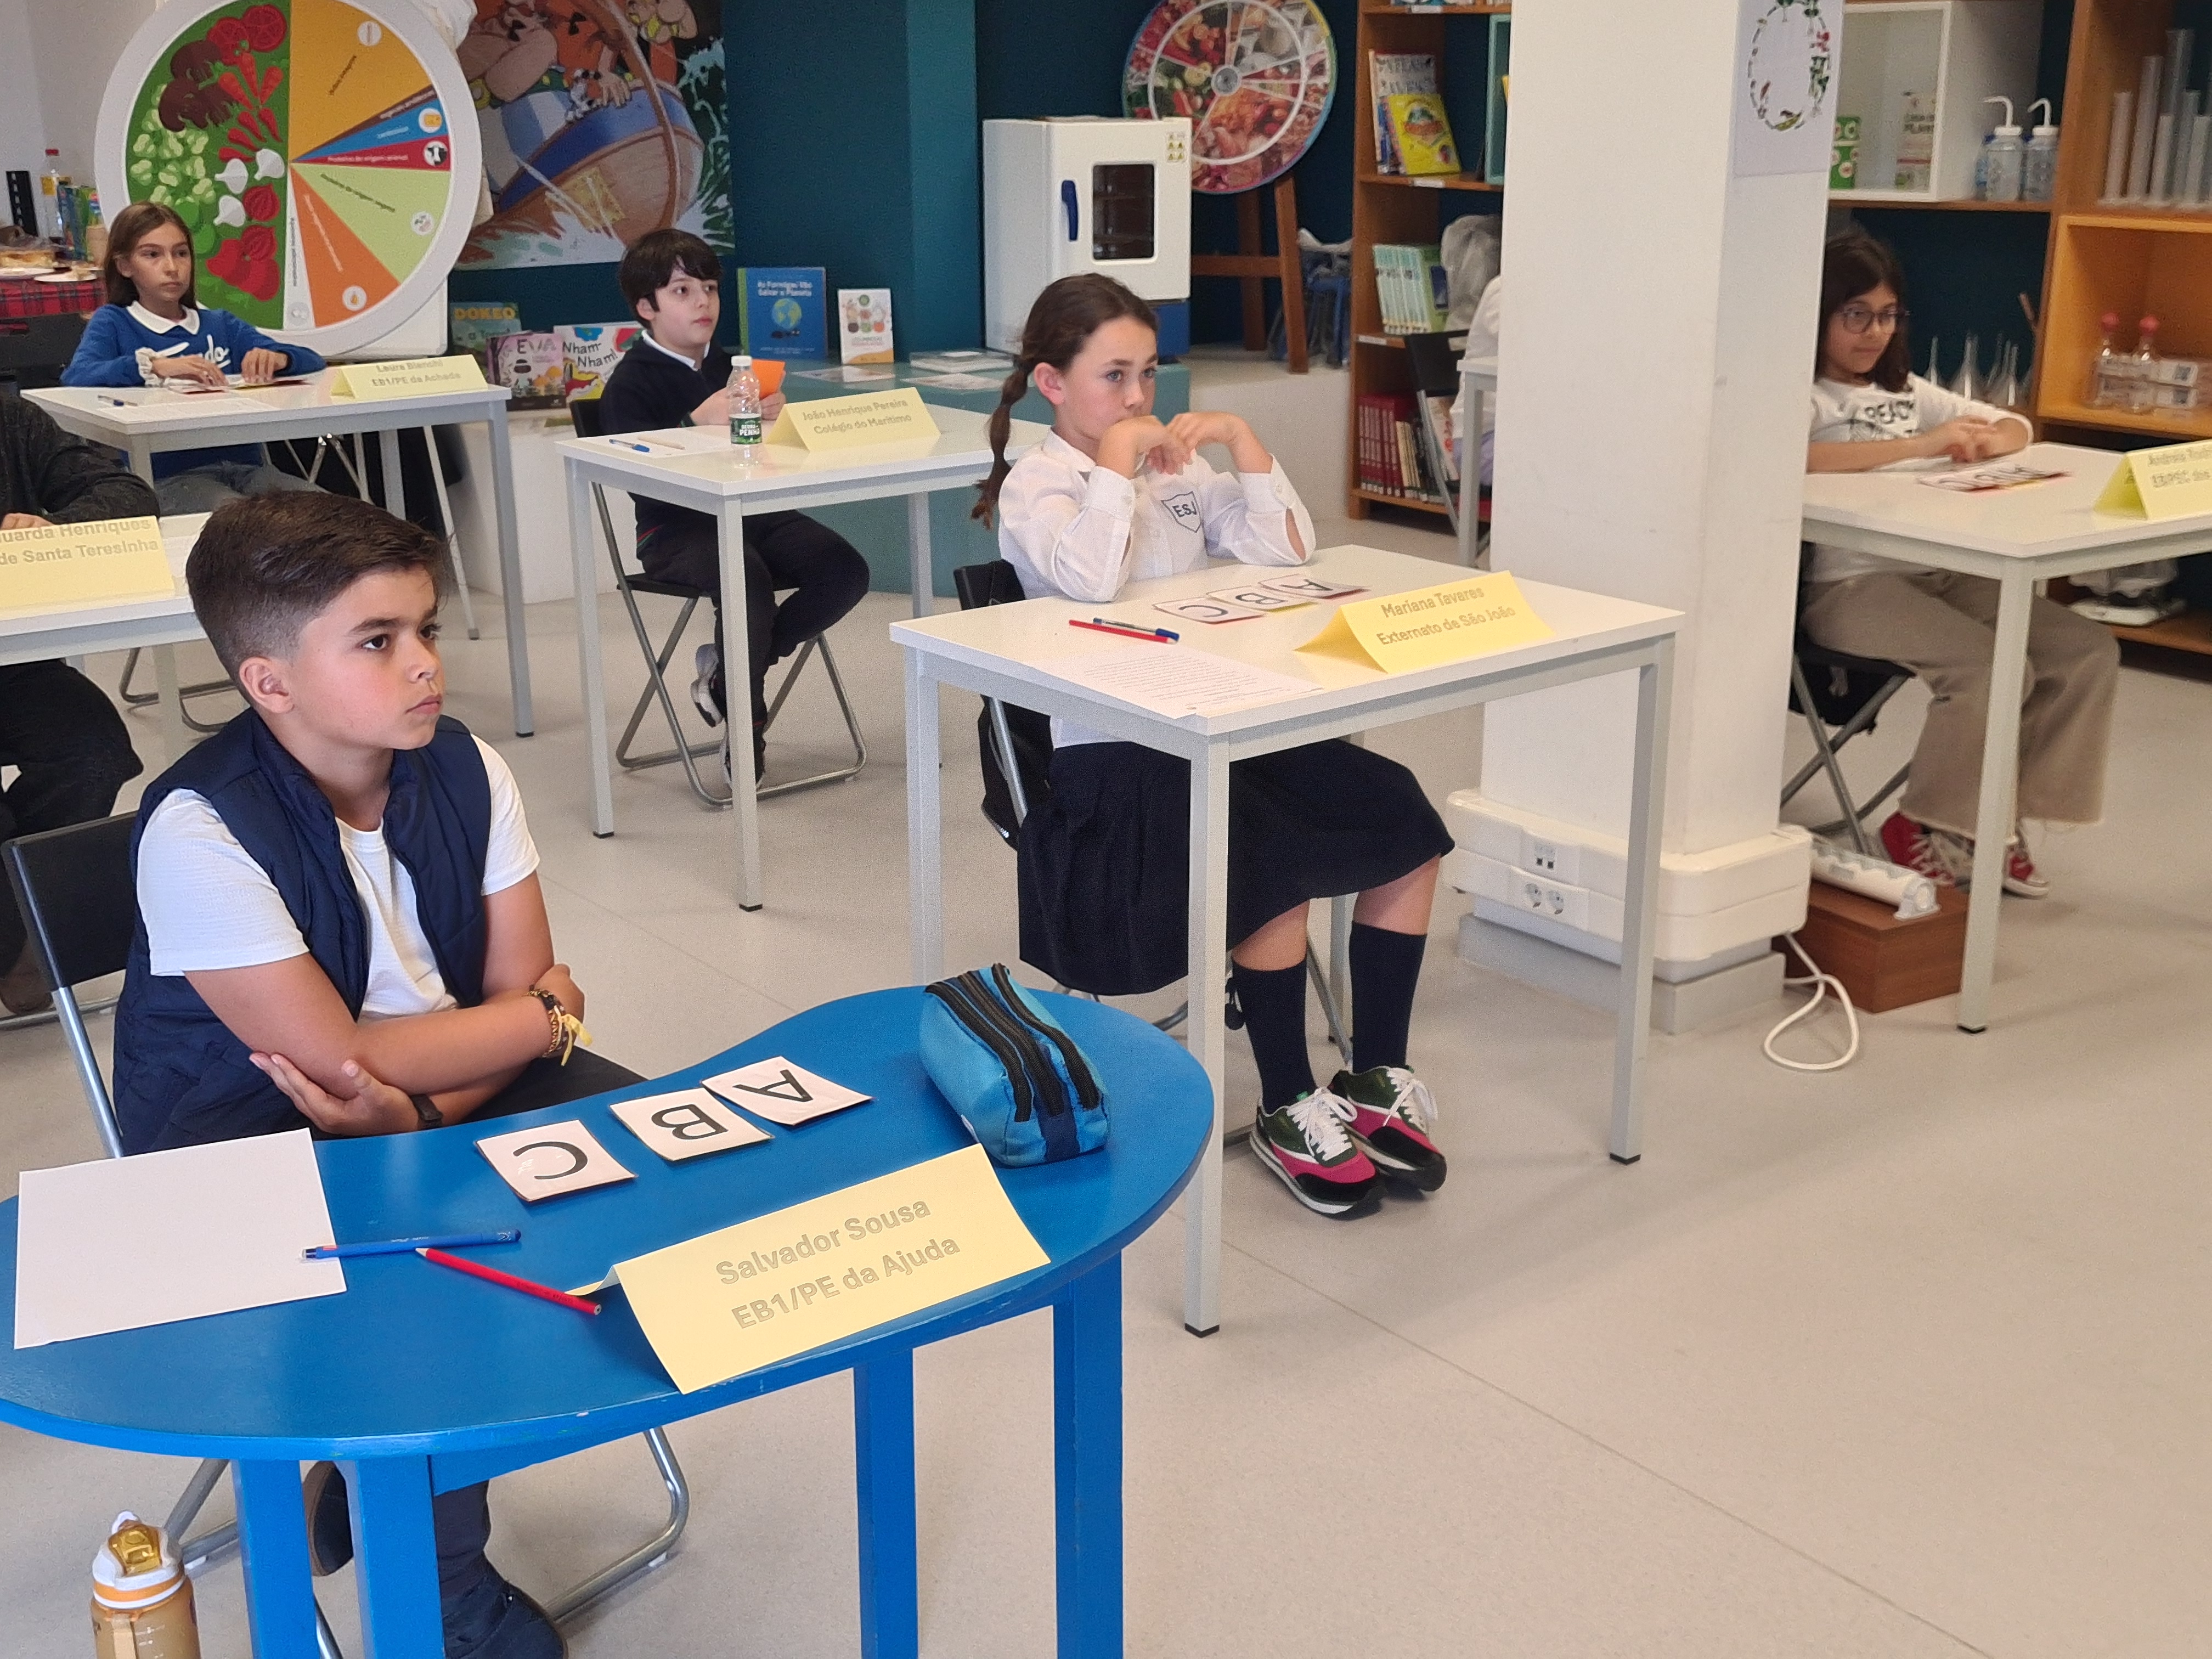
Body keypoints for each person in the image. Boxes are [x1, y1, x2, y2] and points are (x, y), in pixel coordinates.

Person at [114, 492, 634, 1659]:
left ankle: (382, 1465)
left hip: (427, 1105)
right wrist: (534, 1024)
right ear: (269, 681)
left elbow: (511, 995)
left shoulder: (467, 767)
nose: (425, 664)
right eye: (377, 640)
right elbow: (352, 1060)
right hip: (248, 1137)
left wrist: (424, 1104)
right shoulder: (199, 826)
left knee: (656, 1194)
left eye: (427, 629)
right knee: (436, 1293)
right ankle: (442, 1579)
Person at [974, 273, 1454, 1220]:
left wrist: (1242, 444)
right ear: (1052, 384)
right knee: (1267, 843)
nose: (1139, 398)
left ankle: (1377, 1073)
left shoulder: (1178, 469)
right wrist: (1116, 467)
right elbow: (1089, 582)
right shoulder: (1038, 486)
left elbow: (1288, 549)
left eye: (1149, 373)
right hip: (1114, 754)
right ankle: (1285, 1100)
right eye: (1114, 376)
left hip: (1219, 719)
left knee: (1402, 816)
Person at [1802, 231, 2119, 893]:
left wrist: (1983, 442)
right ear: (1820, 312)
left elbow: (2017, 426)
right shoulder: (1806, 396)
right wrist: (1920, 446)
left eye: (1888, 315)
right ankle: (1925, 824)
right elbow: (1792, 455)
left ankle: (1992, 823)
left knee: (2085, 651)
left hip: (1937, 571)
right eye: (1856, 315)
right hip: (1851, 587)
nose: (1875, 333)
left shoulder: (1908, 390)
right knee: (1989, 669)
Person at [598, 228, 871, 779]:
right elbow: (634, 476)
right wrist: (691, 425)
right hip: (674, 532)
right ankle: (747, 726)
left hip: (752, 512)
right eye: (682, 291)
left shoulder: (731, 367)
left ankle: (729, 675)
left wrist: (774, 421)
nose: (703, 302)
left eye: (710, 288)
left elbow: (760, 458)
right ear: (646, 308)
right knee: (745, 577)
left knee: (844, 569)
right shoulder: (629, 383)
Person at [0, 397, 159, 1013]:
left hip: (15, 658)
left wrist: (53, 528)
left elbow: (128, 494)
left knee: (96, 753)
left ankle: (20, 937)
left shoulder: (12, 421)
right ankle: (21, 948)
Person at [61, 200, 327, 516]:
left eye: (181, 253)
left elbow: (312, 360)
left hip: (248, 468)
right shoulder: (115, 322)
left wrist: (279, 358)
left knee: (331, 511)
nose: (171, 267)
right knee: (238, 519)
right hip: (170, 477)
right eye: (152, 255)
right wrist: (154, 366)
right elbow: (78, 375)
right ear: (124, 266)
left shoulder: (220, 324)